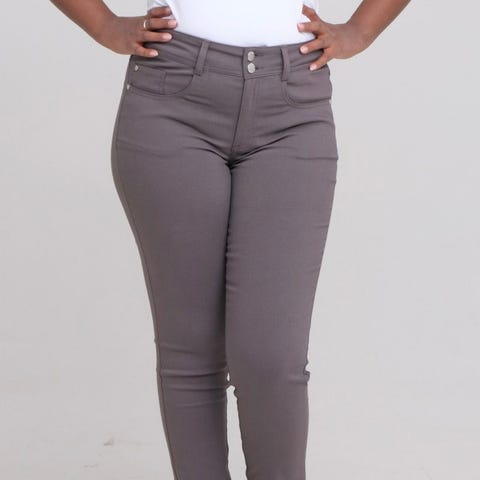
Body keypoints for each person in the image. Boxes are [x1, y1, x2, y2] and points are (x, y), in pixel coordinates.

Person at [50, 1, 411, 479]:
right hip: (171, 97)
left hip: (293, 105)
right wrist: (103, 24)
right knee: (192, 352)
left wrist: (360, 31)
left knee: (271, 356)